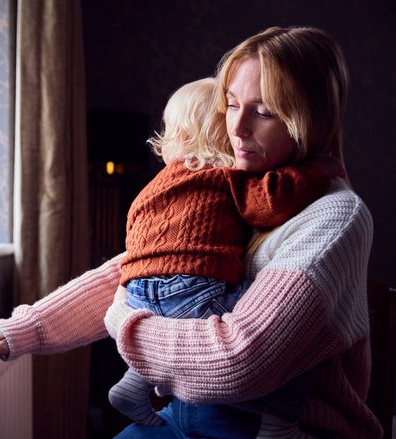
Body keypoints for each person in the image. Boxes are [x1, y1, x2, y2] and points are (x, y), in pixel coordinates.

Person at [0, 26, 382, 438]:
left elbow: (238, 360)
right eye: (232, 104)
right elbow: (139, 270)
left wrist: (124, 322)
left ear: (309, 120)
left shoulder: (333, 217)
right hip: (189, 416)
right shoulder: (237, 186)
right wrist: (18, 330)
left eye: (263, 112)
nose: (235, 128)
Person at [106, 77, 330, 430]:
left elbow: (137, 236)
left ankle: (134, 381)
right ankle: (278, 421)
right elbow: (268, 204)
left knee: (166, 318)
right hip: (191, 286)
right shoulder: (224, 174)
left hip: (136, 290)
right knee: (287, 343)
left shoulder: (156, 185)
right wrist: (318, 173)